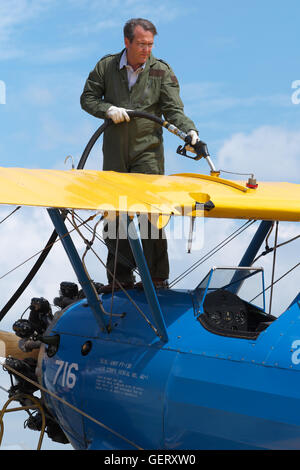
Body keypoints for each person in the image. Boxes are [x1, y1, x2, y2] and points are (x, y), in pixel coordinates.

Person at [80, 18, 199, 292]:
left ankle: (156, 279)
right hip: (114, 154)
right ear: (127, 42)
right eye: (142, 44)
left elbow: (174, 111)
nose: (147, 49)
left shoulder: (160, 71)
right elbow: (88, 98)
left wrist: (190, 132)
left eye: (150, 44)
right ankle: (120, 278)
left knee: (149, 213)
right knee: (115, 214)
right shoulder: (106, 67)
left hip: (148, 154)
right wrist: (107, 109)